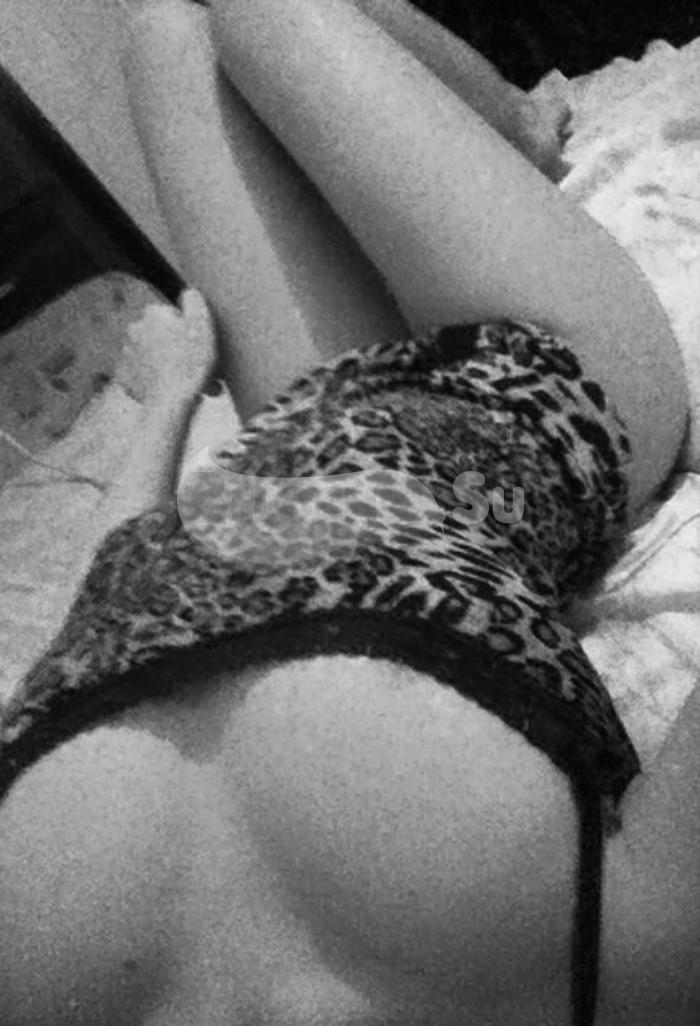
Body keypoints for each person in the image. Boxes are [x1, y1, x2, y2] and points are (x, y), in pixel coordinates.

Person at [0, 1, 698, 1024]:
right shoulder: (617, 982)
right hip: (541, 388)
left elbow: (110, 609)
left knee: (161, 28)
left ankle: (498, 131)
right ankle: (515, 126)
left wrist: (165, 402)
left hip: (303, 405)